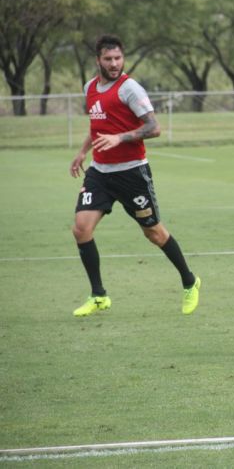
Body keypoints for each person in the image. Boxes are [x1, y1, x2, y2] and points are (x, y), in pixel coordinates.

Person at [69, 34, 201, 317]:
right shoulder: (90, 87)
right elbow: (97, 126)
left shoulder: (130, 89)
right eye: (108, 59)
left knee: (154, 233)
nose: (114, 63)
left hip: (132, 174)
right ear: (98, 60)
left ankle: (190, 281)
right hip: (99, 173)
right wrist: (82, 152)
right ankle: (99, 295)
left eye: (118, 58)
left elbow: (154, 127)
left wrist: (120, 138)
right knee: (81, 228)